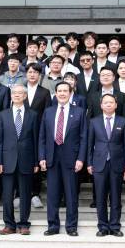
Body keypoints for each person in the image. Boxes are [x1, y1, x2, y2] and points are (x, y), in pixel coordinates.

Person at [38, 82, 88, 236]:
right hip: (52, 157)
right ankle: (53, 226)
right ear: (56, 93)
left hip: (71, 159)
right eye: (59, 91)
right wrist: (42, 157)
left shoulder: (79, 112)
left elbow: (83, 138)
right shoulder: (48, 111)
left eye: (65, 91)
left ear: (70, 92)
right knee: (52, 194)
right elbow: (42, 136)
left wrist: (81, 158)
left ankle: (71, 227)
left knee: (71, 194)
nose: (62, 93)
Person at [0, 84, 40, 235]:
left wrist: (36, 162)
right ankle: (9, 224)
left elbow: (35, 139)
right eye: (14, 92)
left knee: (25, 194)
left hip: (27, 160)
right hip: (7, 160)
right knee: (7, 195)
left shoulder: (33, 115)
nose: (16, 95)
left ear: (25, 96)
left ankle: (23, 224)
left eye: (20, 93)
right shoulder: (3, 114)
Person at [87, 93, 125, 237]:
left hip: (117, 164)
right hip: (99, 164)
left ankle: (115, 226)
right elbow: (89, 144)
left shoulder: (123, 122)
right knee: (100, 197)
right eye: (105, 102)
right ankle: (103, 227)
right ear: (101, 105)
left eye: (111, 102)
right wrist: (89, 162)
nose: (108, 104)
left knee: (116, 197)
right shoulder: (94, 122)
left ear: (116, 105)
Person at [24, 63, 51, 209]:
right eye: (29, 72)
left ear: (39, 75)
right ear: (26, 74)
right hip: (20, 131)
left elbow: (47, 113)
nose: (32, 74)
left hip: (38, 131)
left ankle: (35, 194)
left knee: (36, 163)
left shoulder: (45, 92)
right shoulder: (19, 90)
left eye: (35, 72)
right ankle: (19, 194)